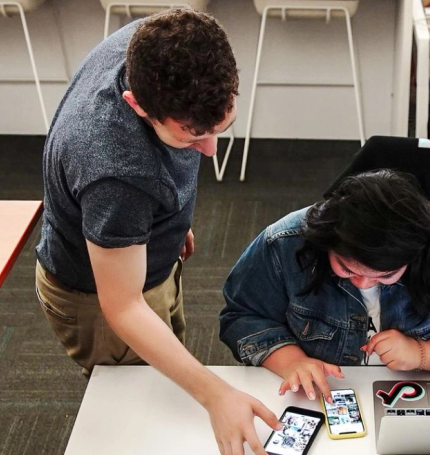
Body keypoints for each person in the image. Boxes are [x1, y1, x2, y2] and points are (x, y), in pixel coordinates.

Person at [35, 9, 279, 455]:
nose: (208, 150)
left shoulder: (160, 41)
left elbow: (172, 150)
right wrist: (217, 394)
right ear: (136, 105)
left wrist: (161, 224)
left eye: (221, 127)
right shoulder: (118, 175)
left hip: (136, 248)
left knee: (169, 386)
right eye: (192, 137)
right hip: (98, 295)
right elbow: (124, 307)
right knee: (141, 417)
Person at [220, 170, 430, 402]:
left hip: (418, 396)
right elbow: (241, 316)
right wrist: (292, 362)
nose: (363, 282)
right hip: (322, 395)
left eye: (385, 275)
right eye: (347, 268)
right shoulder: (284, 242)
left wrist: (422, 354)